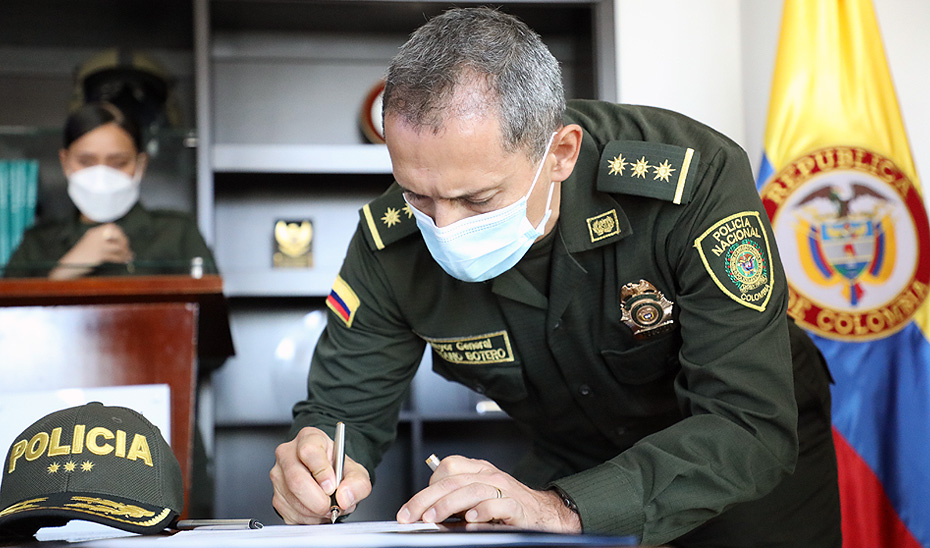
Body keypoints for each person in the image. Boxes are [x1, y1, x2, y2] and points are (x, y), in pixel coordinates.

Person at [270, 8, 840, 547]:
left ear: (561, 154)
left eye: (477, 199)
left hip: (734, 456)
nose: (443, 227)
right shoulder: (389, 240)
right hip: (573, 457)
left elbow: (747, 420)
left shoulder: (691, 182)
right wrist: (318, 459)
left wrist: (561, 507)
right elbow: (345, 407)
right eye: (418, 195)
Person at [3, 101, 217, 279]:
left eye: (118, 163)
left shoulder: (177, 234)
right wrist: (66, 269)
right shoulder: (37, 244)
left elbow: (208, 319)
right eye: (86, 162)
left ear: (140, 165)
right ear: (65, 162)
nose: (101, 174)